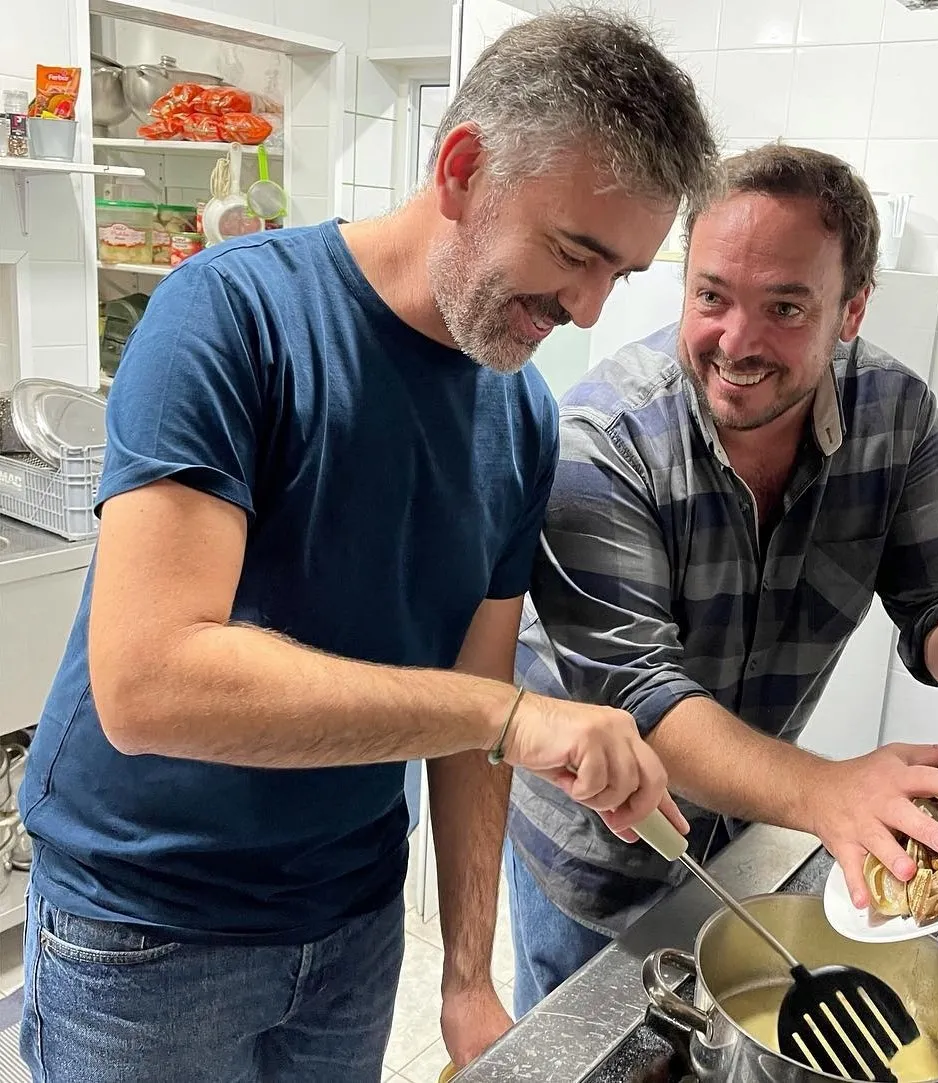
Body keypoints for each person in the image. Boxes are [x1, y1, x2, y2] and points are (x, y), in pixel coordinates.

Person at [17, 11, 717, 1082]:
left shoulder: (519, 413)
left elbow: (474, 709)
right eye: (575, 253)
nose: (584, 308)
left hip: (351, 923)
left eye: (619, 275)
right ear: (461, 165)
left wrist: (468, 973)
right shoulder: (232, 317)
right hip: (149, 931)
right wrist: (508, 716)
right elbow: (148, 682)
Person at [506, 143, 938, 1017]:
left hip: (747, 836)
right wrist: (826, 789)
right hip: (598, 852)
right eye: (711, 296)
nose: (737, 343)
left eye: (785, 306)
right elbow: (641, 698)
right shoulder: (606, 436)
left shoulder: (895, 416)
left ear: (851, 309)